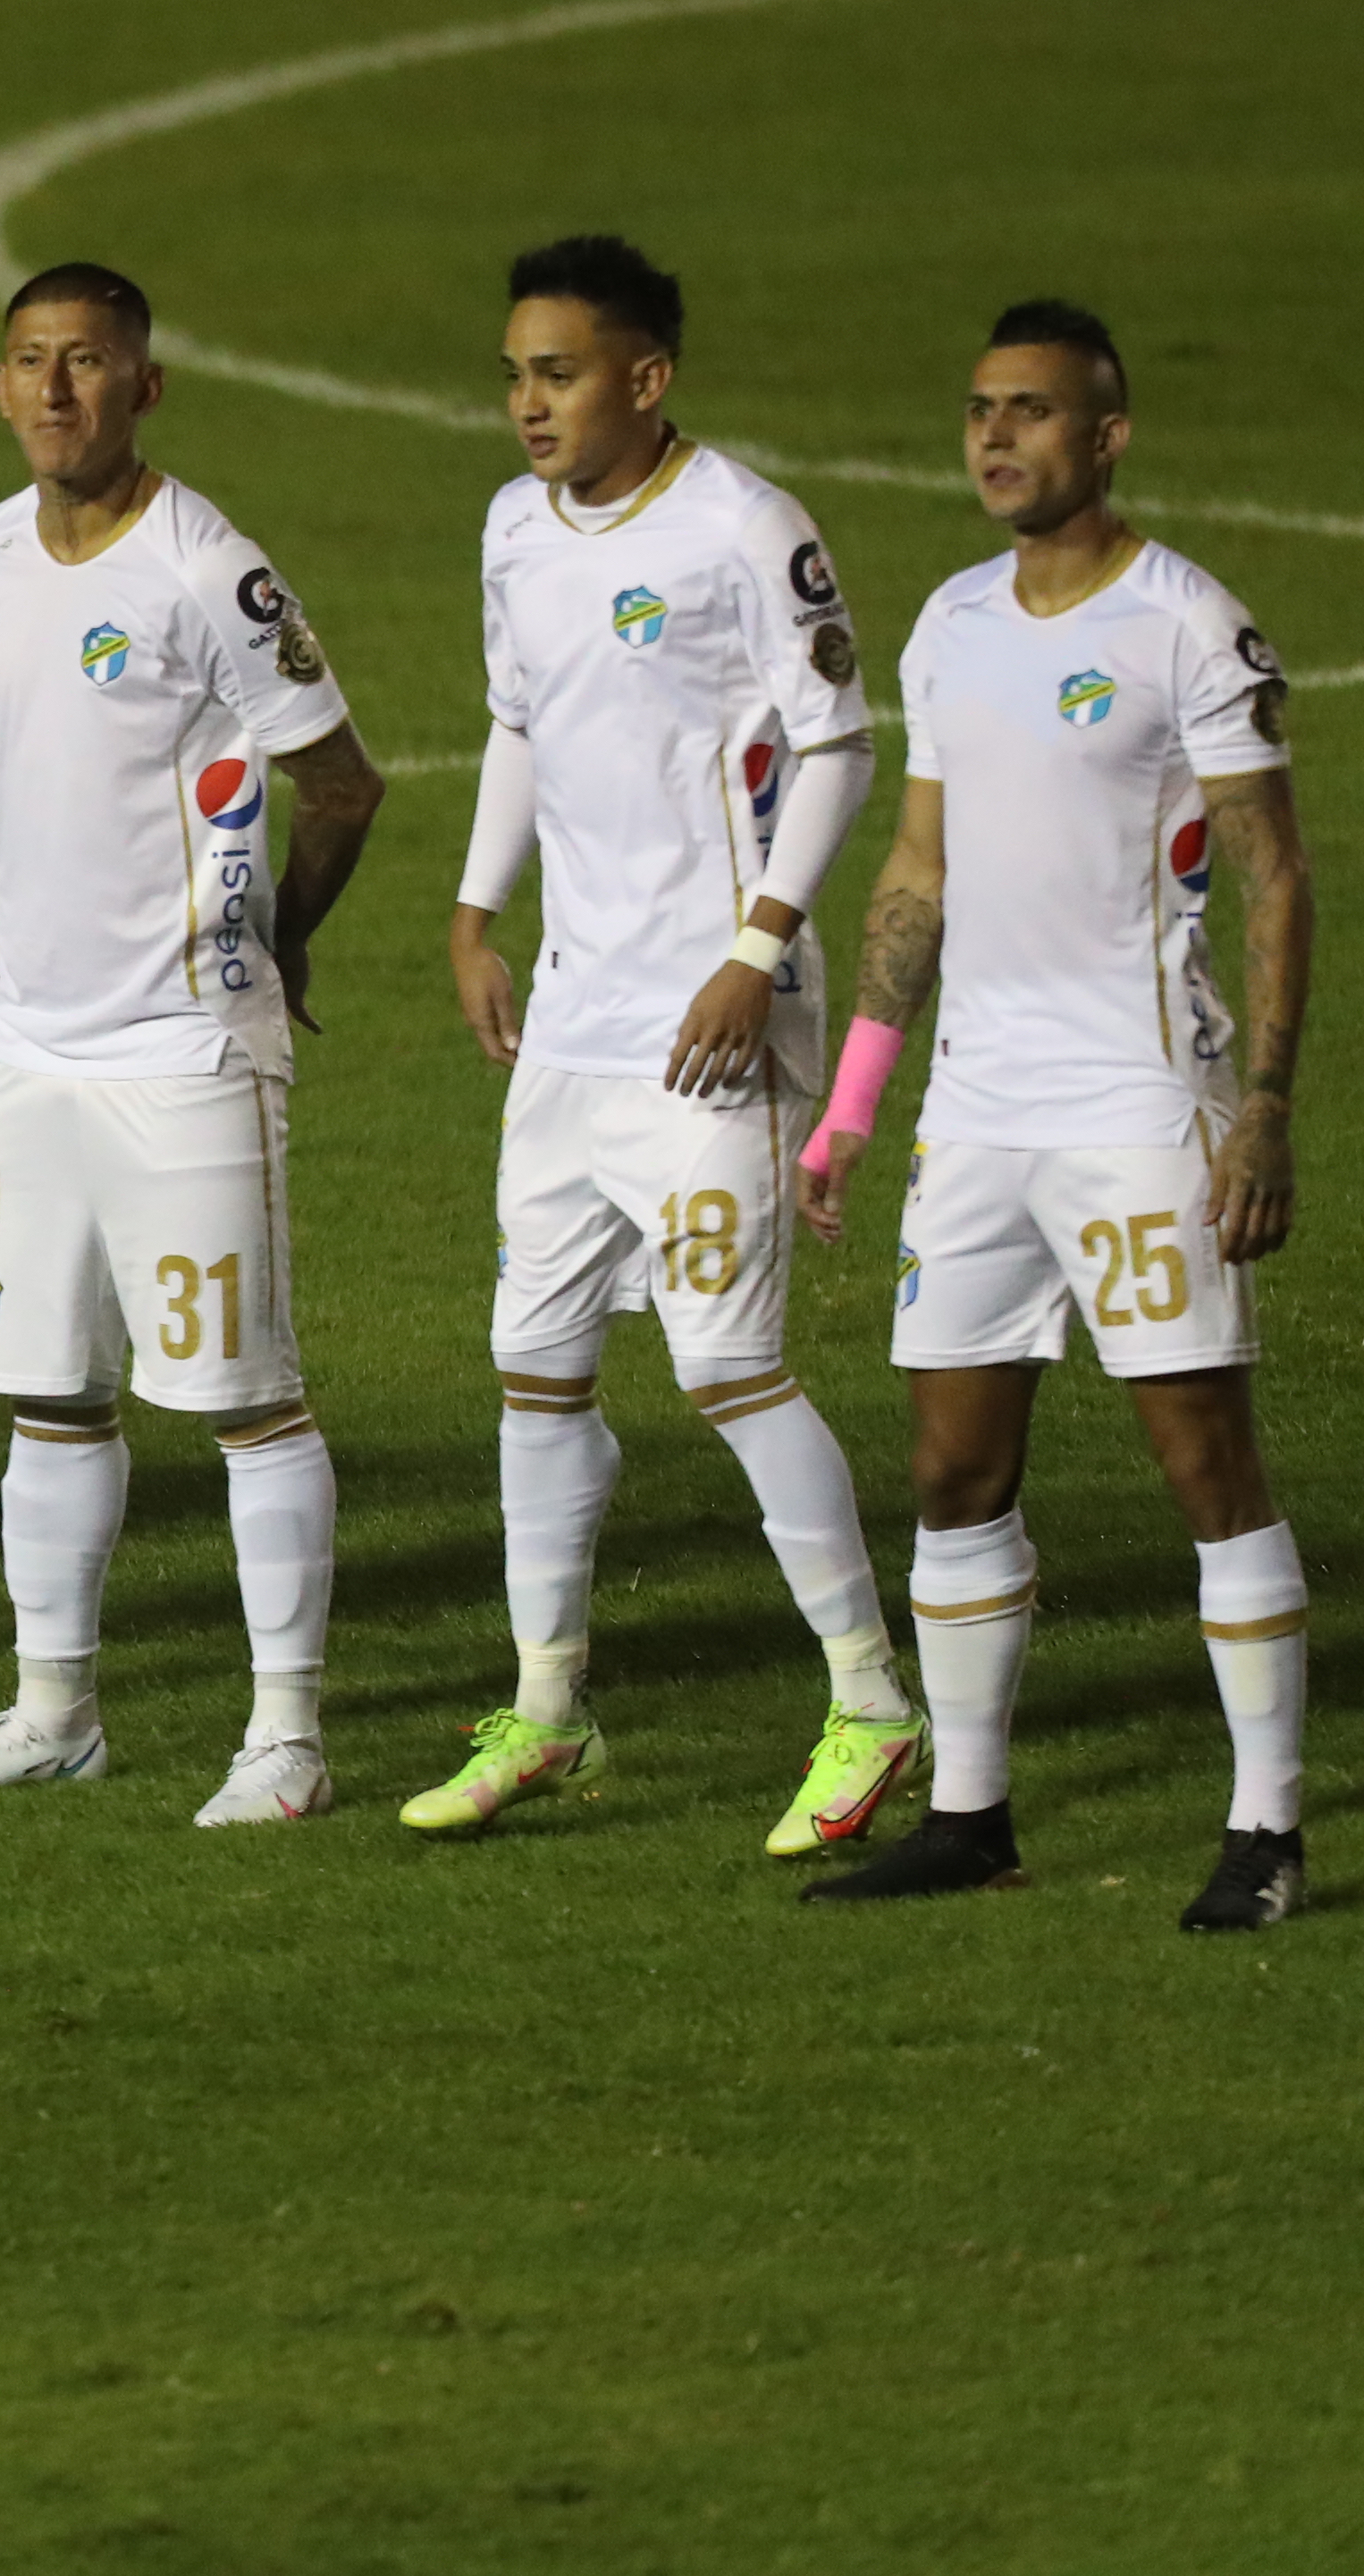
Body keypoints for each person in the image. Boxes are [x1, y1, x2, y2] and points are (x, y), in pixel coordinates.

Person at [799, 302, 1311, 1931]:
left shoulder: (1187, 627)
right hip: (976, 1116)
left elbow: (1276, 875)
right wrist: (854, 1106)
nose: (997, 438)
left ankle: (1267, 1828)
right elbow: (918, 868)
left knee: (1202, 1459)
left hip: (1139, 1107)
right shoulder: (952, 623)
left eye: (1030, 411)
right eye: (980, 411)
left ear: (1108, 435)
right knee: (952, 1469)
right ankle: (970, 1816)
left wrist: (1264, 1105)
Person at [417, 235, 921, 1848]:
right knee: (536, 1368)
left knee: (727, 1367)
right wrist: (477, 913)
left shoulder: (745, 528)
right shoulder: (513, 528)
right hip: (573, 1024)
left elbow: (839, 745)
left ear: (647, 377)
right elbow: (518, 722)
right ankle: (548, 1708)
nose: (528, 404)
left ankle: (872, 1702)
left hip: (713, 1023)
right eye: (515, 374)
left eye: (558, 374)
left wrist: (756, 950)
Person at [0, 263, 384, 1824]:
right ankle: (55, 1713)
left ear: (144, 386)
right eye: (30, 360)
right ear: (0, 383)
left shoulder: (208, 570)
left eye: (88, 362)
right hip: (35, 1054)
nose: (55, 390)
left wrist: (276, 942)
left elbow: (344, 783)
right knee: (49, 1392)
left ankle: (288, 1740)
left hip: (186, 1049)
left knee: (246, 1395)